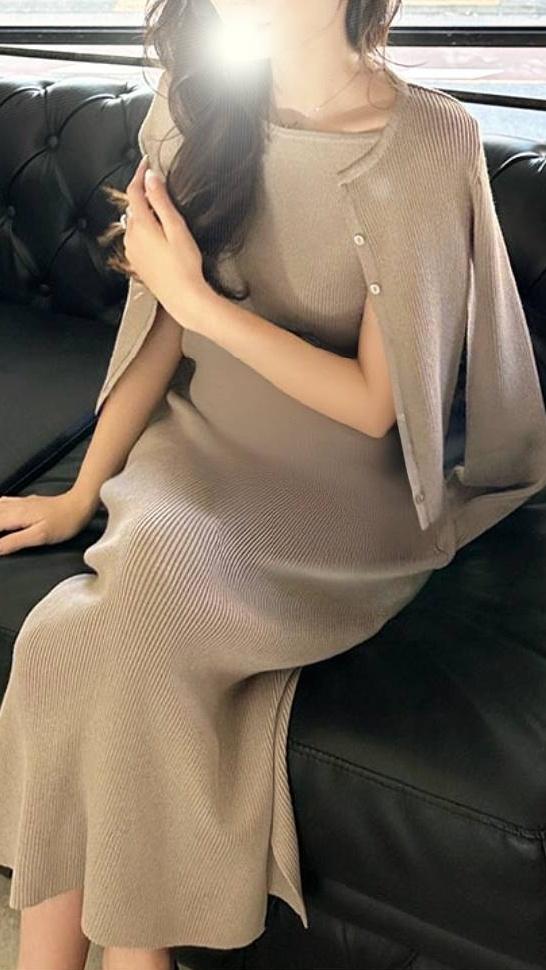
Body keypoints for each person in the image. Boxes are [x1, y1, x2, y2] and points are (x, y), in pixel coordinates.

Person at [0, 1, 481, 968]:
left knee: (127, 618)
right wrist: (82, 491)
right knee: (60, 644)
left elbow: (375, 406)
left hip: (340, 494)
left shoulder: (428, 141)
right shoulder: (193, 106)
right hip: (203, 446)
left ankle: (134, 952)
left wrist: (197, 300)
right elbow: (155, 332)